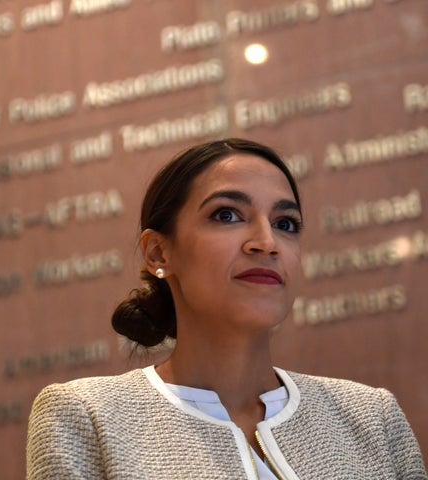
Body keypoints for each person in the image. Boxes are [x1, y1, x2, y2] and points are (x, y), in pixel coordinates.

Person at [25, 138, 427, 479]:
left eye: (286, 223)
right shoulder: (87, 417)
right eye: (228, 215)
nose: (266, 242)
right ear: (158, 251)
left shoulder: (372, 418)